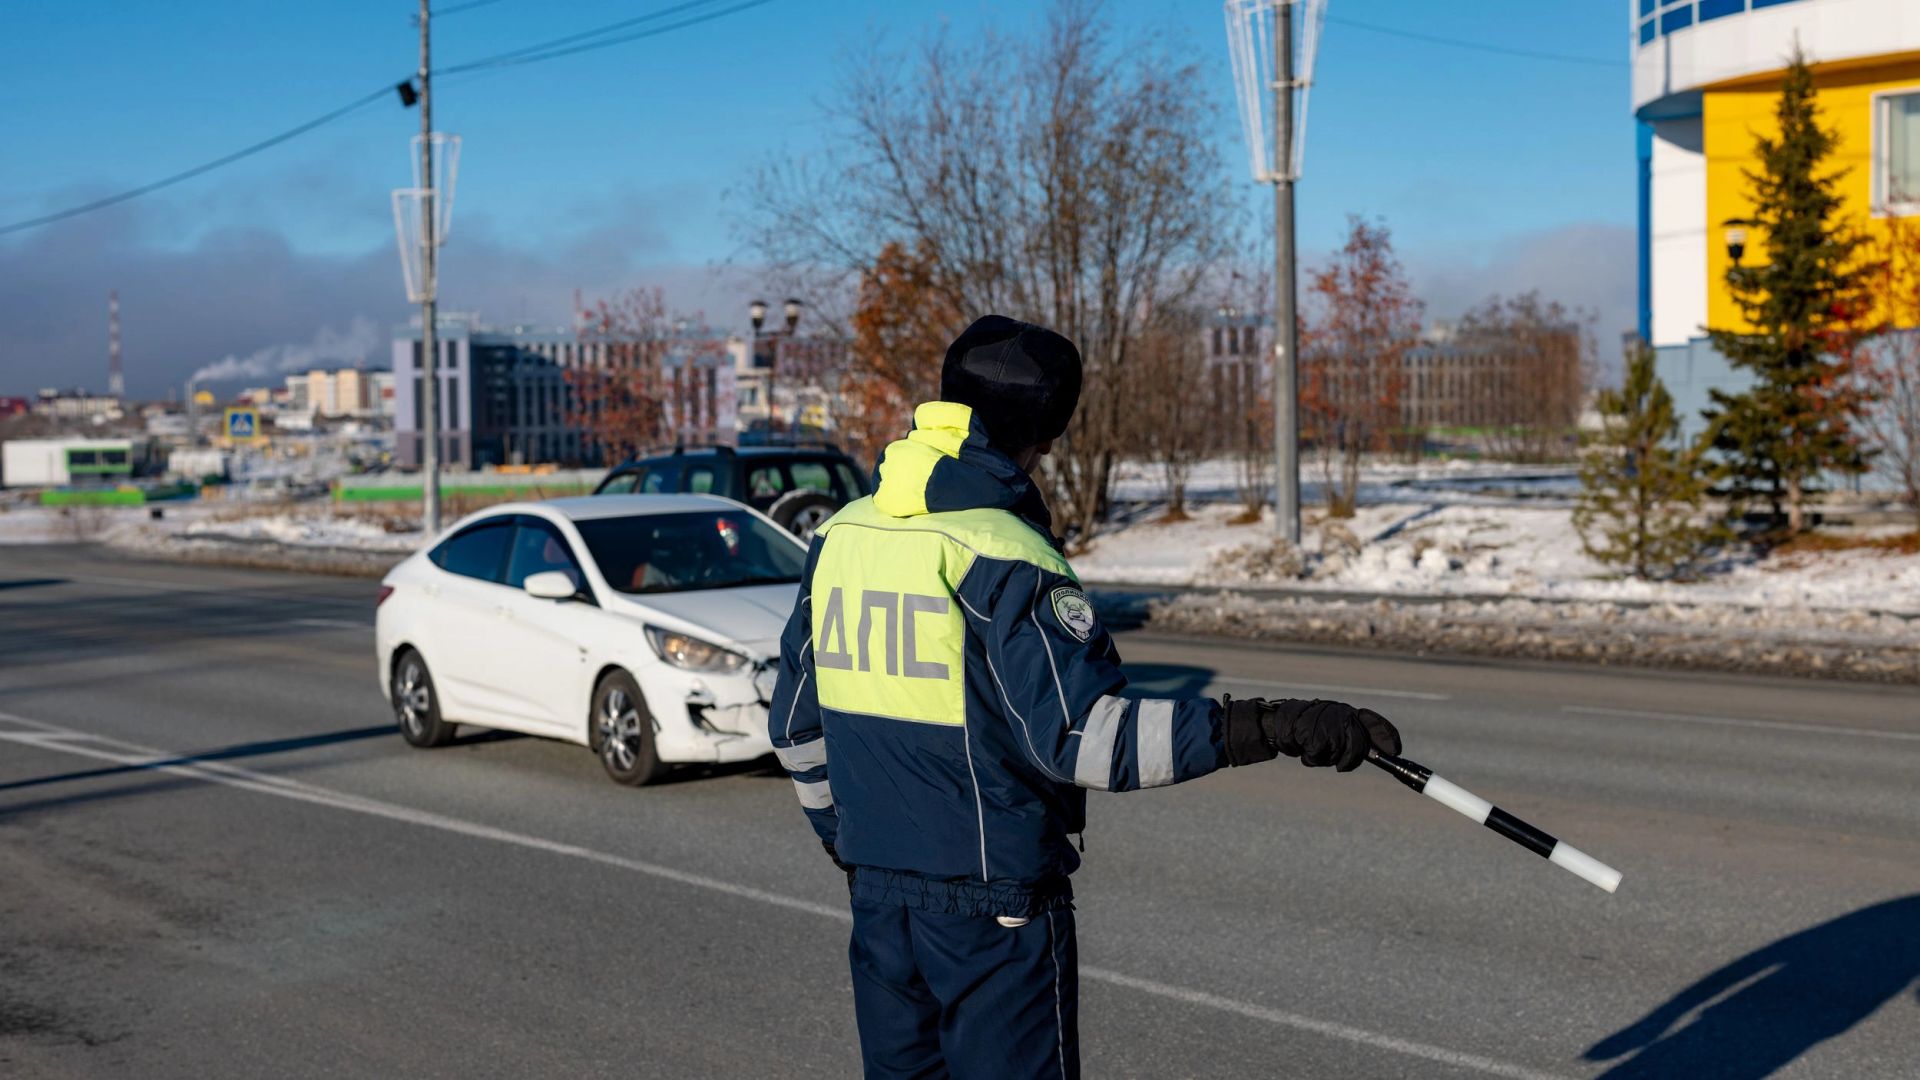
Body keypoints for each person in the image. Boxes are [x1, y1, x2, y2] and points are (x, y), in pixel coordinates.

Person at [768, 314, 1402, 1079]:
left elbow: (796, 728)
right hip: (993, 906)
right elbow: (1085, 739)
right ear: (1038, 435)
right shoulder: (1004, 553)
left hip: (880, 902)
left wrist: (852, 842)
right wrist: (1267, 726)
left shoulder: (842, 536)